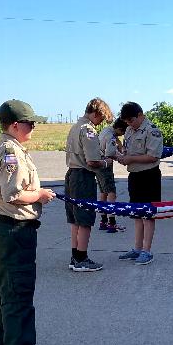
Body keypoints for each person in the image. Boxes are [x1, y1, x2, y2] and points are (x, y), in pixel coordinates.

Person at [0, 99, 57, 345]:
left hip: (8, 227)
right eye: (30, 123)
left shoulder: (12, 148)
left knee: (6, 288)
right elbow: (13, 194)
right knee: (18, 290)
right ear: (16, 125)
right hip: (15, 228)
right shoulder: (10, 152)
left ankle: (6, 344)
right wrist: (39, 195)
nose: (34, 127)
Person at [65, 98, 114, 272]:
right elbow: (92, 161)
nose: (100, 123)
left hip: (71, 174)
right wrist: (107, 162)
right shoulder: (88, 130)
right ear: (96, 113)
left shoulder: (75, 127)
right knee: (85, 219)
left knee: (75, 220)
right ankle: (82, 258)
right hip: (83, 177)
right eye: (101, 118)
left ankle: (75, 256)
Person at [115, 101, 163, 265]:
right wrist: (122, 156)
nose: (129, 124)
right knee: (136, 213)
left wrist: (130, 159)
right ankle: (137, 249)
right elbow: (128, 150)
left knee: (148, 215)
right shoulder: (129, 130)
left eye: (131, 120)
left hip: (149, 176)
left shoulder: (152, 130)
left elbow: (153, 156)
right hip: (134, 176)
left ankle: (147, 251)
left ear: (140, 115)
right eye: (127, 122)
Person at [97, 118, 127, 233]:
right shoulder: (111, 136)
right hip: (105, 166)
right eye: (123, 132)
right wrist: (122, 158)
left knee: (103, 193)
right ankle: (112, 223)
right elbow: (110, 153)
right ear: (119, 129)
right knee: (111, 193)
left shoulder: (106, 130)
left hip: (98, 164)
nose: (122, 135)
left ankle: (103, 221)